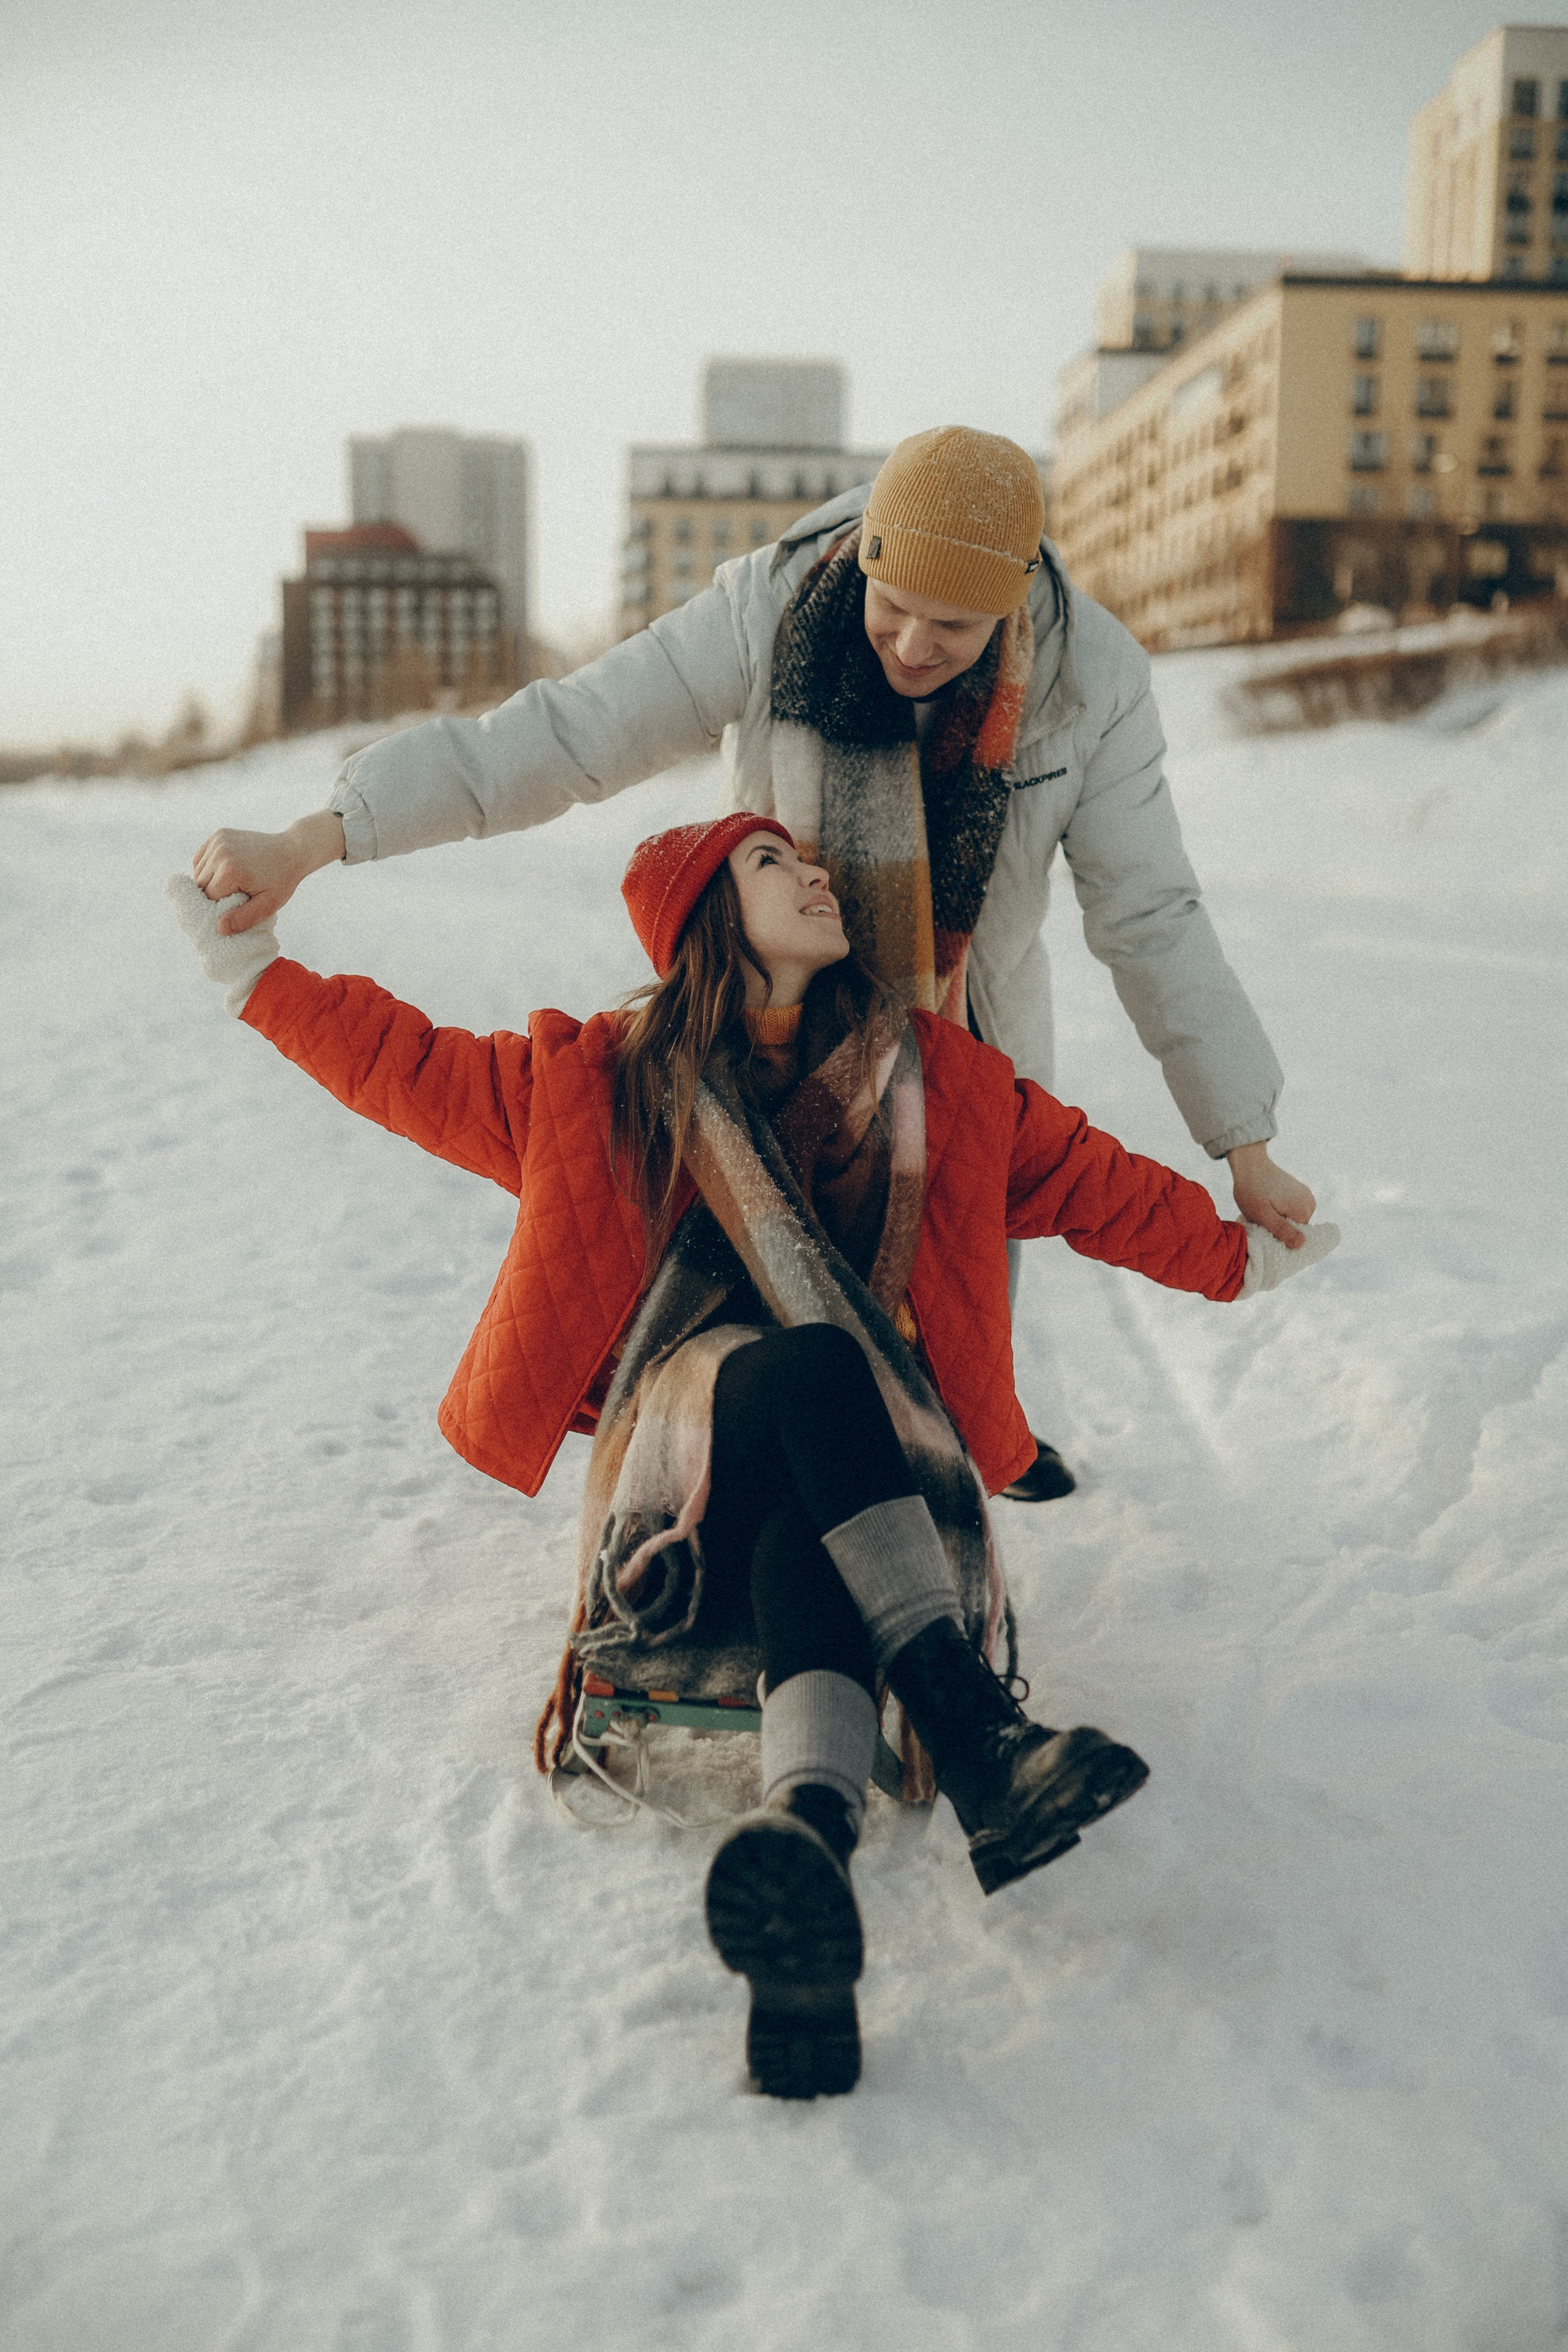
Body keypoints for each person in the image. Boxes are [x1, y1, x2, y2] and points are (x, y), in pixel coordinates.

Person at [168, 812, 1336, 2101]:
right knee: (815, 1363)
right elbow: (402, 1062)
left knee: (813, 1517)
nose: (814, 874)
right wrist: (253, 974)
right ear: (702, 917)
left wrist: (1237, 1256)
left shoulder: (937, 1080)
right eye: (771, 864)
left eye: (809, 859)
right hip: (681, 1475)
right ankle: (974, 1732)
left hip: (852, 1488)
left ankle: (808, 1854)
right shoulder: (600, 1083)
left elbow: (1088, 1179)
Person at [192, 427, 1319, 1505]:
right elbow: (559, 739)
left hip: (959, 1022)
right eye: (893, 607)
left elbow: (1150, 912)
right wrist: (319, 836)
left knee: (959, 1269)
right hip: (763, 1015)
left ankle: (967, 1447)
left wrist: (1245, 1140)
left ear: (1016, 597)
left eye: (955, 627)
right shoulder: (767, 609)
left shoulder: (1092, 682)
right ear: (866, 556)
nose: (913, 647)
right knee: (751, 1268)